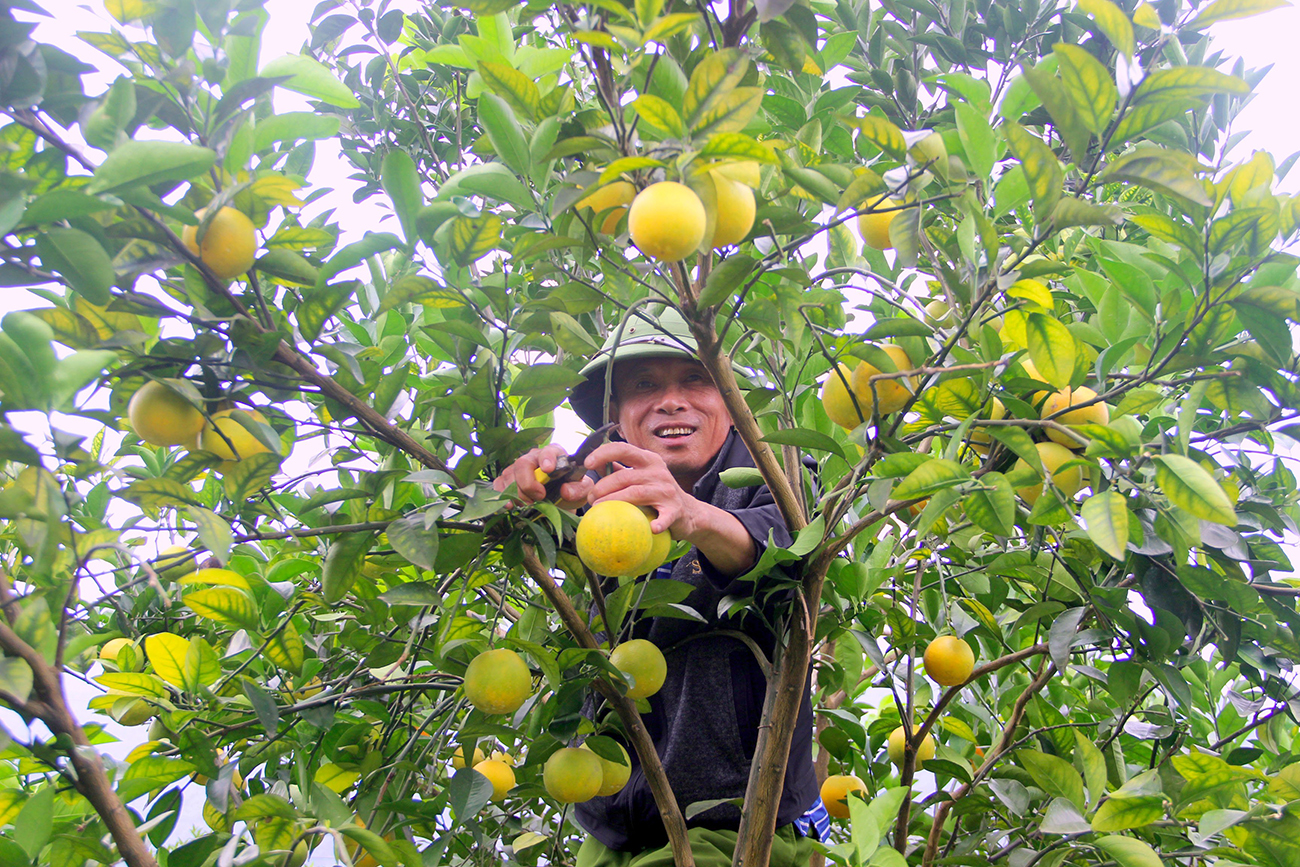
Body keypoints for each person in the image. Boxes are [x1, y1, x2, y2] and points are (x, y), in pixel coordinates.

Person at [493, 307, 826, 867]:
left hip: (734, 826)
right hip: (612, 823)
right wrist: (522, 498)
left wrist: (693, 517)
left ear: (729, 401)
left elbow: (789, 546)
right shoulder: (599, 495)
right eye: (645, 385)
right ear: (617, 417)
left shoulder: (778, 473)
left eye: (695, 379)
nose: (672, 401)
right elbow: (523, 531)